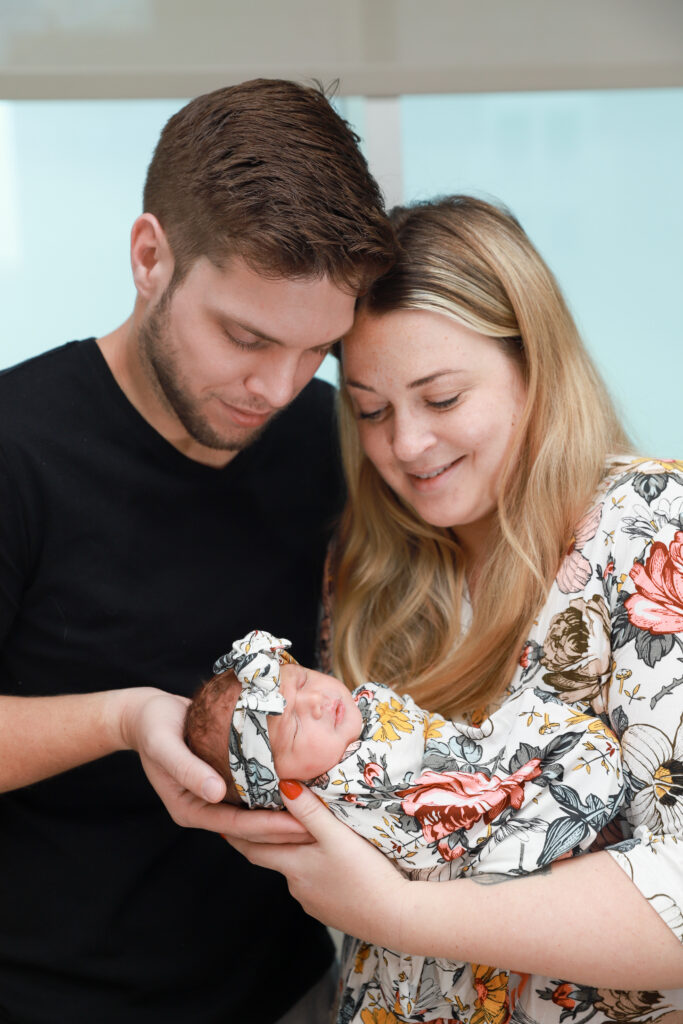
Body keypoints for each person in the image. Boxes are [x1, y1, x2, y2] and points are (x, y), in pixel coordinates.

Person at [227, 197, 683, 1023]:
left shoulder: (650, 528)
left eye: (440, 399)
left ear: (534, 365)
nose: (404, 444)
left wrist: (396, 914)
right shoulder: (369, 574)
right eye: (369, 410)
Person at [0, 79, 396, 1023]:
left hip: (288, 988)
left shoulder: (322, 436)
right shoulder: (17, 451)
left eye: (316, 352)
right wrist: (125, 718)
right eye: (245, 337)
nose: (277, 387)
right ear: (150, 257)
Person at [187, 627, 625, 1021]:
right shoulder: (341, 787)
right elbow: (412, 823)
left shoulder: (355, 714)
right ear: (281, 786)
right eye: (294, 726)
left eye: (301, 681)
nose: (317, 702)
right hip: (449, 854)